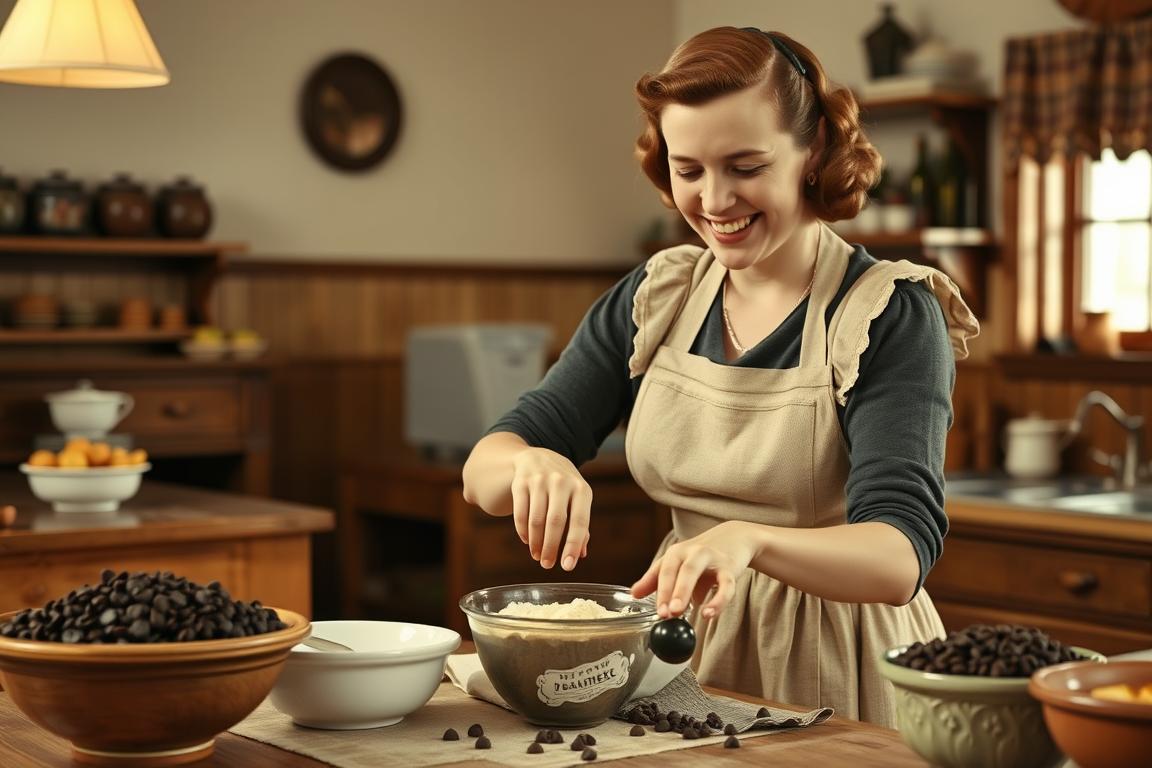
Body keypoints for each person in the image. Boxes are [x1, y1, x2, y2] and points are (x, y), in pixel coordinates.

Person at [461, 26, 979, 726]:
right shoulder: (660, 295)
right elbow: (483, 469)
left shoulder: (888, 312)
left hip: (842, 669)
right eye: (689, 169)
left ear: (814, 150)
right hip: (681, 657)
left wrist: (751, 539)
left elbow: (897, 555)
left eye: (744, 166)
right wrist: (532, 464)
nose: (714, 201)